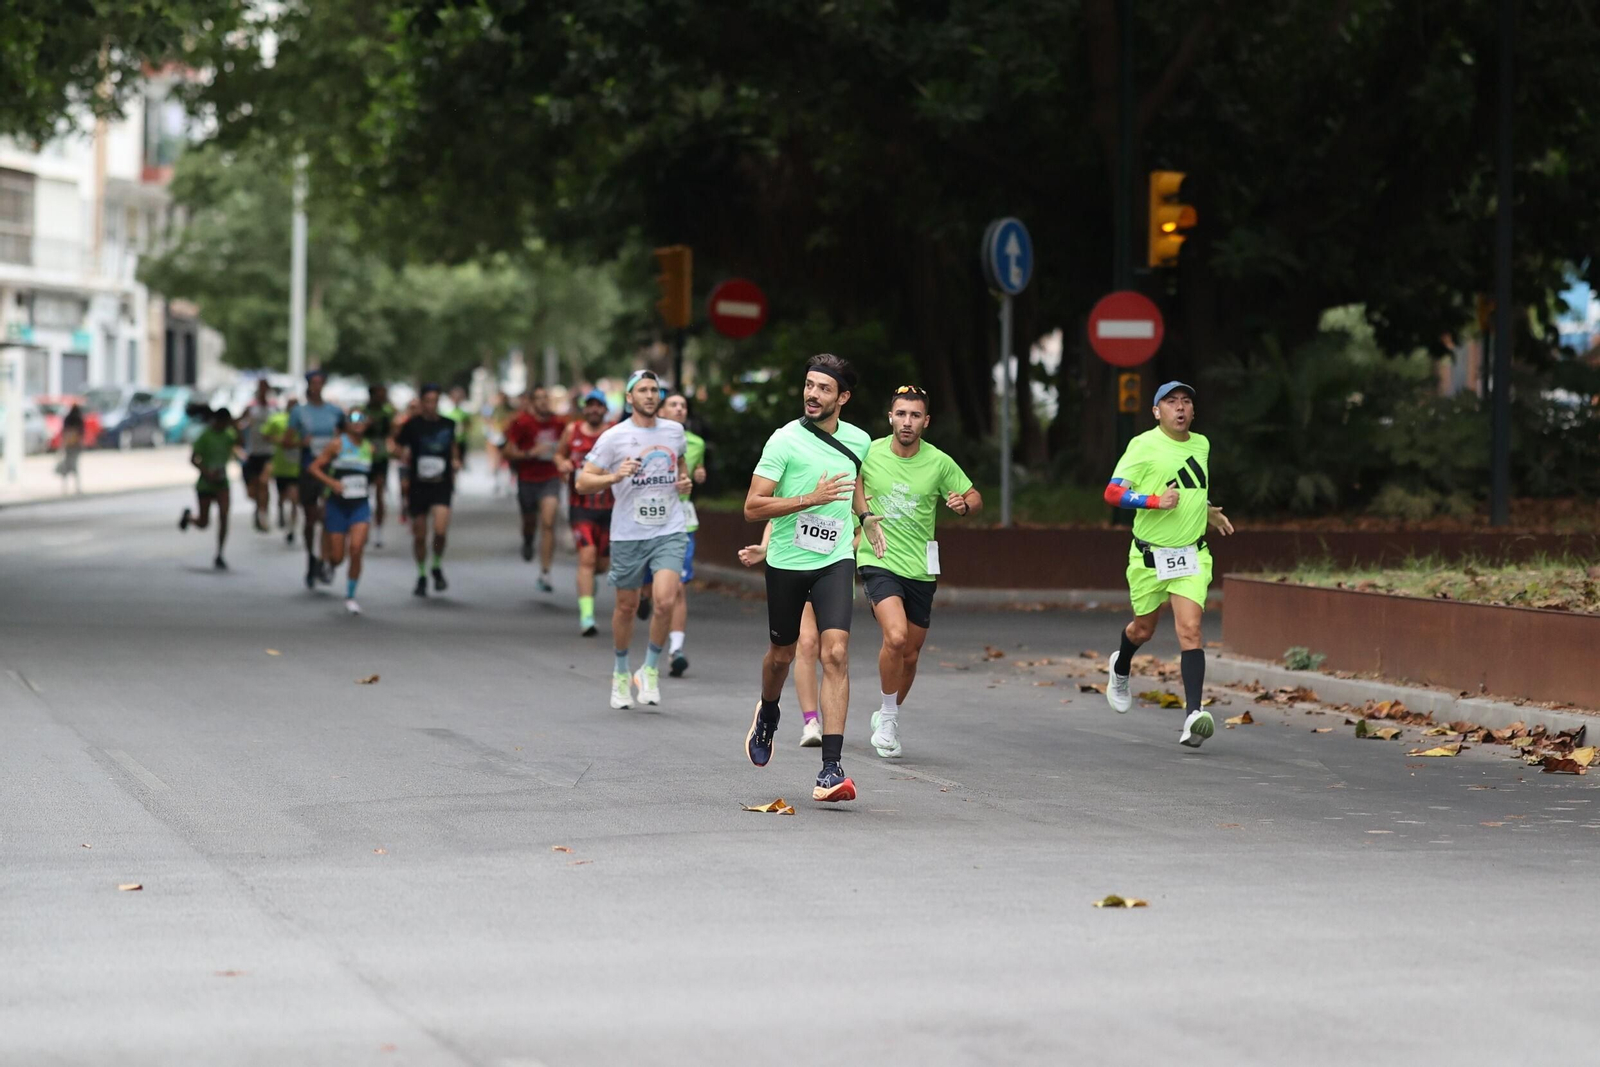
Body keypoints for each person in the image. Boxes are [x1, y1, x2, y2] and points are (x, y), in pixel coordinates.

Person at [741, 354, 882, 804]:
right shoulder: (784, 440)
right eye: (808, 385)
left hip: (836, 557)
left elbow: (854, 479)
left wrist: (866, 514)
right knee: (781, 655)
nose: (812, 395)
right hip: (786, 560)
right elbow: (753, 506)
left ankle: (830, 769)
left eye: (823, 388)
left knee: (835, 652)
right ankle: (768, 711)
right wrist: (809, 498)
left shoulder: (859, 439)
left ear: (843, 397)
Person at [1102, 381, 1234, 747]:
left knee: (1190, 630)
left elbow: (1191, 485)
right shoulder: (1142, 445)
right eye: (1171, 402)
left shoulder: (1202, 444)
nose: (1180, 408)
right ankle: (1121, 665)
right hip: (1148, 557)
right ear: (1157, 411)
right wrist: (1153, 501)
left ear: (1193, 411)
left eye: (1186, 402)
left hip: (1191, 554)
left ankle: (1194, 714)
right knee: (1142, 631)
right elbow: (1112, 492)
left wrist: (1207, 512)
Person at [856, 385, 981, 759]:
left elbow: (973, 496)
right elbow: (852, 485)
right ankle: (890, 718)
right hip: (878, 558)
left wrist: (963, 506)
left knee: (910, 654)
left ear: (925, 422)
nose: (906, 422)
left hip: (921, 568)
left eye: (914, 416)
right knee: (894, 638)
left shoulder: (939, 462)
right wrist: (863, 518)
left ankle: (887, 713)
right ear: (890, 417)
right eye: (901, 414)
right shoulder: (869, 452)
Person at [574, 370, 692, 709]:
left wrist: (683, 482)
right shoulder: (614, 437)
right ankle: (622, 671)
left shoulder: (674, 431)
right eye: (643, 390)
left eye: (655, 390)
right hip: (628, 533)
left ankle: (650, 669)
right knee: (626, 606)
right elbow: (583, 482)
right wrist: (615, 475)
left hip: (669, 529)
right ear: (629, 398)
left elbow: (679, 465)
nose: (650, 395)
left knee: (665, 601)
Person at [739, 524, 825, 748]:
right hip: (795, 567)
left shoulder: (847, 493)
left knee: (833, 654)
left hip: (830, 572)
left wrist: (837, 550)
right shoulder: (798, 491)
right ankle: (811, 721)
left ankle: (835, 730)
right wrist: (765, 547)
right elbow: (773, 520)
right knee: (806, 643)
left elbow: (859, 535)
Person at [651, 392, 706, 677]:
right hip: (647, 520)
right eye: (673, 404)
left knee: (678, 587)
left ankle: (676, 649)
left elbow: (695, 470)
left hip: (681, 520)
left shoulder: (695, 442)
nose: (679, 409)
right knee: (650, 589)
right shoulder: (647, 438)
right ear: (660, 410)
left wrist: (698, 475)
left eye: (683, 405)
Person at [555, 389, 615, 636]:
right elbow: (559, 454)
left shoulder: (614, 432)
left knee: (601, 565)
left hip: (611, 508)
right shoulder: (572, 431)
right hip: (581, 507)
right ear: (584, 408)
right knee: (587, 558)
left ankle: (589, 584)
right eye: (589, 405)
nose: (593, 410)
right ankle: (587, 617)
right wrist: (562, 464)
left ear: (604, 409)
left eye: (598, 406)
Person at [394, 383, 460, 597]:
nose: (432, 406)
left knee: (440, 531)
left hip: (441, 484)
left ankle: (437, 565)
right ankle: (422, 573)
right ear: (421, 403)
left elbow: (453, 447)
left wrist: (456, 460)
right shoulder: (412, 425)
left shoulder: (449, 424)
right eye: (428, 401)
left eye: (435, 401)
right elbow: (397, 447)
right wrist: (401, 454)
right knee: (420, 535)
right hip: (418, 484)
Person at [310, 409, 375, 614]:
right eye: (352, 419)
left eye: (361, 418)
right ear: (346, 424)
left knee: (356, 548)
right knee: (338, 557)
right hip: (337, 505)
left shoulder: (370, 448)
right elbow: (314, 468)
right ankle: (327, 562)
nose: (357, 423)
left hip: (360, 505)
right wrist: (332, 483)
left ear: (367, 423)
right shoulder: (337, 444)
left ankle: (350, 595)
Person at [503, 385, 567, 590]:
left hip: (550, 478)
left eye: (545, 398)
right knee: (530, 521)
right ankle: (528, 539)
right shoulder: (522, 423)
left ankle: (545, 572)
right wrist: (531, 453)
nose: (543, 402)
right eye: (538, 398)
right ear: (531, 402)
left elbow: (568, 447)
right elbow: (508, 452)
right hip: (528, 478)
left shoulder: (559, 423)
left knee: (549, 523)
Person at [287, 370, 346, 590]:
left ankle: (324, 559)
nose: (317, 386)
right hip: (308, 469)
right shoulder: (299, 412)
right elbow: (286, 441)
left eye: (321, 383)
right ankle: (311, 556)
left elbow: (346, 436)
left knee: (326, 514)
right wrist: (301, 443)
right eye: (313, 383)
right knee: (311, 518)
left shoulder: (335, 411)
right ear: (308, 385)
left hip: (330, 470)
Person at [179, 406, 245, 569]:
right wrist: (207, 472)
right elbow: (193, 459)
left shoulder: (228, 435)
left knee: (224, 516)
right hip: (206, 484)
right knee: (203, 522)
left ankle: (220, 553)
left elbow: (241, 444)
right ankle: (189, 518)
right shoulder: (205, 436)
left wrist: (237, 428)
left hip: (222, 483)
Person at [238, 379, 277, 533]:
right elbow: (238, 423)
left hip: (269, 452)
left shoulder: (274, 408)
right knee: (253, 490)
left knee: (264, 482)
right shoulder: (251, 408)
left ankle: (263, 514)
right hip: (253, 452)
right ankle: (259, 507)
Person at [264, 399, 301, 543]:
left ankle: (291, 528)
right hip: (281, 466)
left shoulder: (302, 422)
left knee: (294, 499)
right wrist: (281, 441)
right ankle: (280, 512)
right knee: (282, 497)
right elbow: (266, 435)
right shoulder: (277, 420)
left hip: (296, 468)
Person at [366, 384, 397, 549]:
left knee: (379, 492)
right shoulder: (363, 412)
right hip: (364, 457)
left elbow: (392, 432)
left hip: (381, 457)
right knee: (363, 494)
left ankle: (378, 530)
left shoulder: (387, 413)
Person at [56, 403, 85, 494]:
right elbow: (81, 434)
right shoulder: (79, 420)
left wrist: (63, 445)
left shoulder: (68, 419)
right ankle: (77, 487)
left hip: (68, 445)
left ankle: (65, 487)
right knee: (75, 466)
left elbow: (64, 432)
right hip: (75, 446)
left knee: (67, 466)